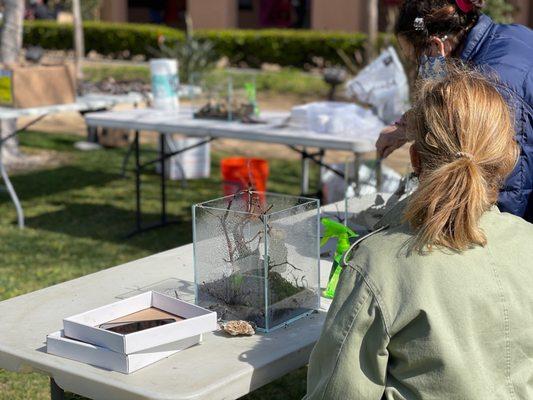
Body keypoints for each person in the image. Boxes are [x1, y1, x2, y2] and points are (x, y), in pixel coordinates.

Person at [305, 69, 533, 399]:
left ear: (414, 158)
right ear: (507, 160)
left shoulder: (377, 263)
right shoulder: (526, 243)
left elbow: (335, 393)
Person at [375, 0, 533, 222]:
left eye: (418, 59)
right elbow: (450, 103)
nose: (420, 69)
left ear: (435, 46)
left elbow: (507, 191)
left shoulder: (494, 85)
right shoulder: (508, 35)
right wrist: (407, 125)